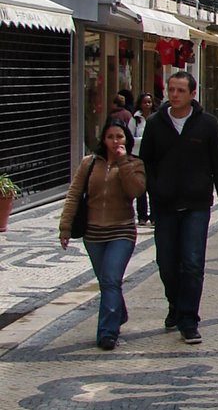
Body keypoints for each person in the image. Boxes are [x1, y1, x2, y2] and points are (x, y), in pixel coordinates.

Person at [139, 71, 218, 345]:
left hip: (196, 204)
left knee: (192, 263)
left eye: (181, 90)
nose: (175, 95)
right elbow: (145, 164)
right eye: (171, 89)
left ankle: (189, 319)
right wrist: (153, 193)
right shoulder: (156, 124)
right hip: (165, 205)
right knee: (167, 263)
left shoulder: (207, 124)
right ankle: (176, 304)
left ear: (193, 94)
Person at [58, 118, 147, 350]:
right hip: (93, 233)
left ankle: (107, 333)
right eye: (110, 137)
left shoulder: (134, 163)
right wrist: (65, 227)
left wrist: (122, 162)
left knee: (110, 279)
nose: (115, 141)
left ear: (126, 139)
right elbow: (74, 195)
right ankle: (118, 311)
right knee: (107, 282)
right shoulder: (89, 164)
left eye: (119, 136)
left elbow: (136, 191)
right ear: (103, 139)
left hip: (122, 231)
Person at [129, 93, 156, 225]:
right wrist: (143, 140)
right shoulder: (135, 119)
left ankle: (154, 215)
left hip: (152, 157)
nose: (147, 105)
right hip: (137, 156)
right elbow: (129, 138)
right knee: (141, 187)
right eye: (145, 102)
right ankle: (142, 216)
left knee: (153, 186)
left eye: (149, 102)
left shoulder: (156, 118)